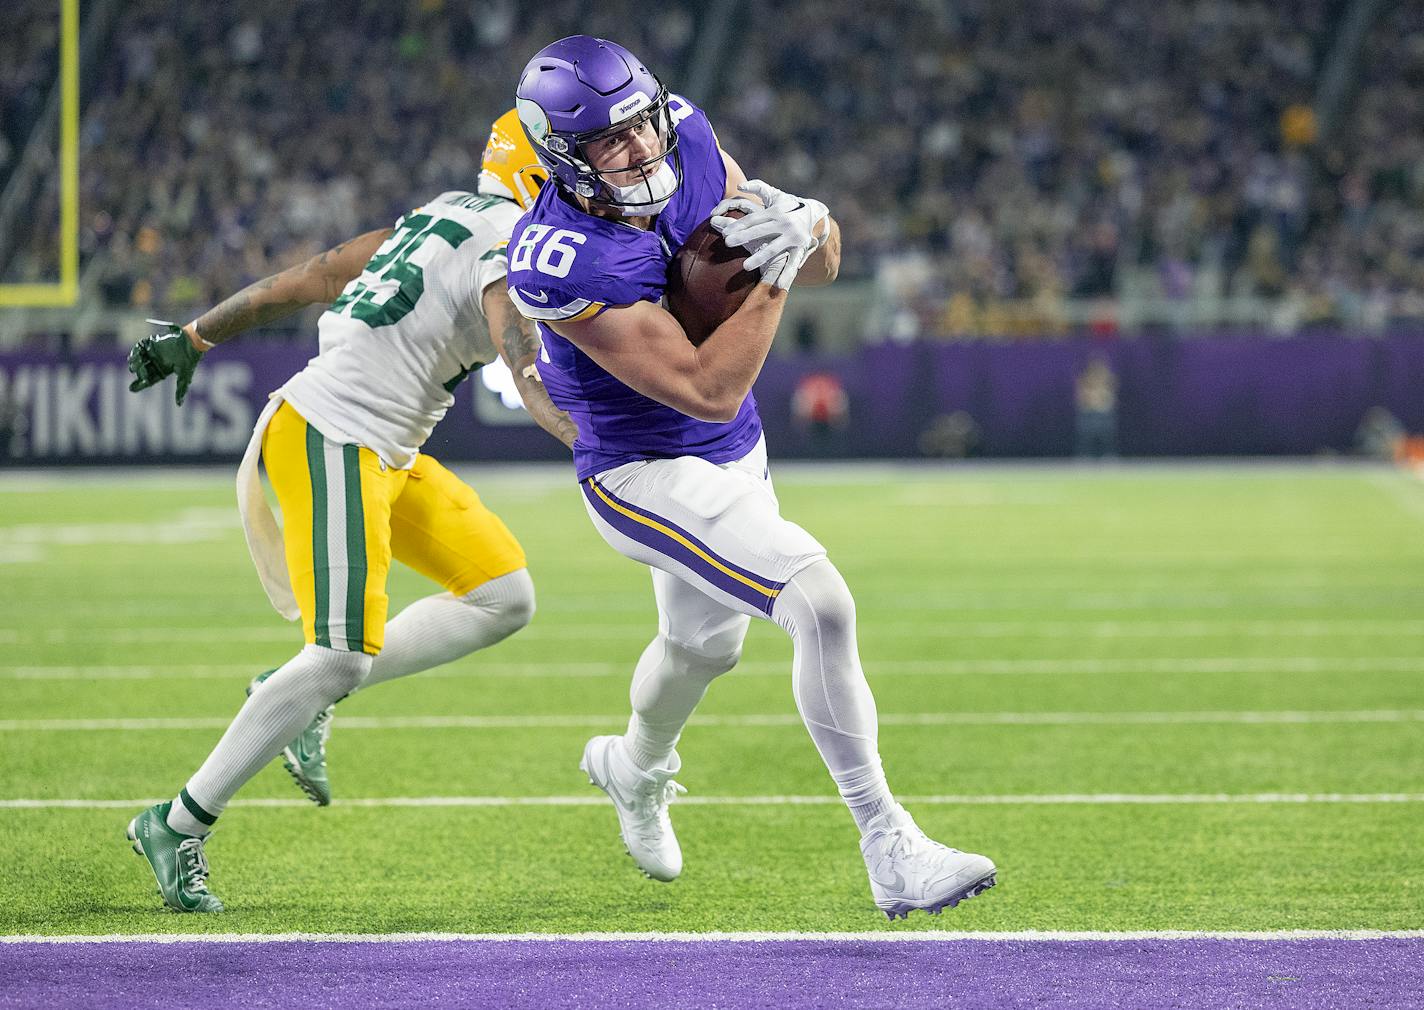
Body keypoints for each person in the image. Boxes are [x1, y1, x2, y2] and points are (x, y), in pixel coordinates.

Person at [506, 36, 996, 919]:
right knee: (822, 602)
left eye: (643, 124)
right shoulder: (559, 258)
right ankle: (888, 843)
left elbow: (822, 259)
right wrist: (776, 270)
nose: (643, 150)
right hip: (642, 468)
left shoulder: (689, 136)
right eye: (610, 143)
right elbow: (705, 386)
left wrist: (810, 223)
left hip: (736, 448)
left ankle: (633, 769)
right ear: (561, 158)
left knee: (704, 647)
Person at [122, 112, 575, 914]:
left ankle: (294, 690)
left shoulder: (436, 214)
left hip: (382, 446)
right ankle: (178, 822)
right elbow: (522, 362)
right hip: (336, 432)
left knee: (505, 595)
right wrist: (589, 441)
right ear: (540, 172)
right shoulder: (509, 238)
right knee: (338, 656)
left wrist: (195, 336)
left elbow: (311, 276)